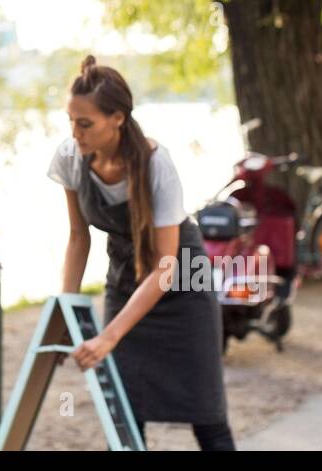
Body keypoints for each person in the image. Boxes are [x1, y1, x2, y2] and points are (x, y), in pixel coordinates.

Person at [47, 55, 235, 450]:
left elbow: (166, 267)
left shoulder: (154, 164)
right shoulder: (70, 157)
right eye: (70, 121)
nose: (75, 133)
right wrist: (67, 309)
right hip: (126, 279)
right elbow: (78, 237)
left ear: (117, 118)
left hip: (183, 281)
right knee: (125, 408)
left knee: (207, 414)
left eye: (85, 123)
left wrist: (108, 337)